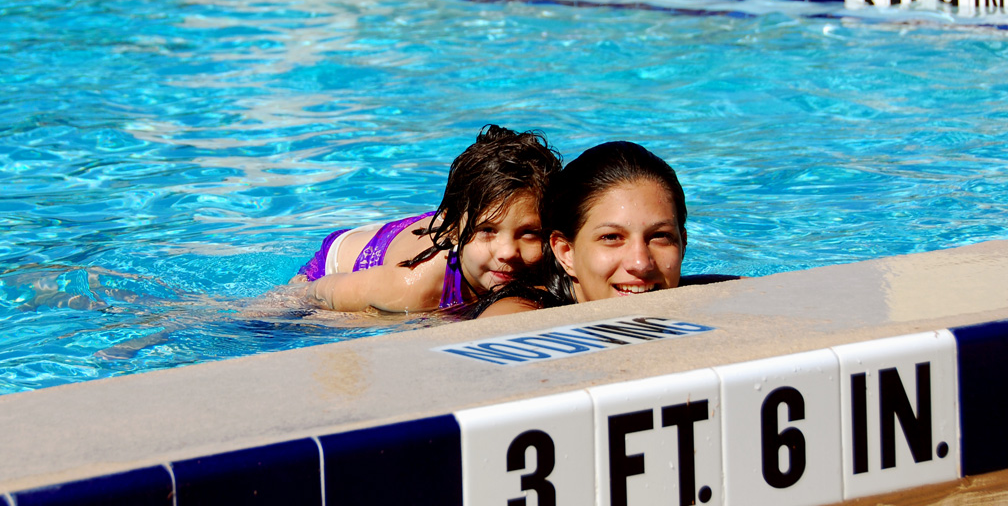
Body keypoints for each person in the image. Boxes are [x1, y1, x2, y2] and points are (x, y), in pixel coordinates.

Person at [292, 125, 561, 313]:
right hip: (340, 266)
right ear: (453, 230)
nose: (507, 252)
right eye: (488, 230)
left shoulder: (546, 255)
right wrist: (298, 295)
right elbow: (324, 291)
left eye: (529, 233)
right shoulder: (413, 286)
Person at [476, 141, 734, 317]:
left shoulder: (691, 292)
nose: (640, 264)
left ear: (683, 243)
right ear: (566, 252)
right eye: (611, 237)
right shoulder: (513, 316)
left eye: (660, 236)